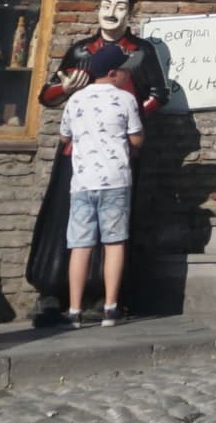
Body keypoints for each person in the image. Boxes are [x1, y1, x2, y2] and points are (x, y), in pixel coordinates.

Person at [58, 53, 146, 324]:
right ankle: (110, 307)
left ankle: (74, 310)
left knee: (80, 245)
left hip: (83, 182)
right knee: (114, 243)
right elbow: (136, 138)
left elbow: (64, 137)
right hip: (115, 180)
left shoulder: (75, 100)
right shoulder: (125, 99)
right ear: (112, 73)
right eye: (124, 71)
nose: (127, 75)